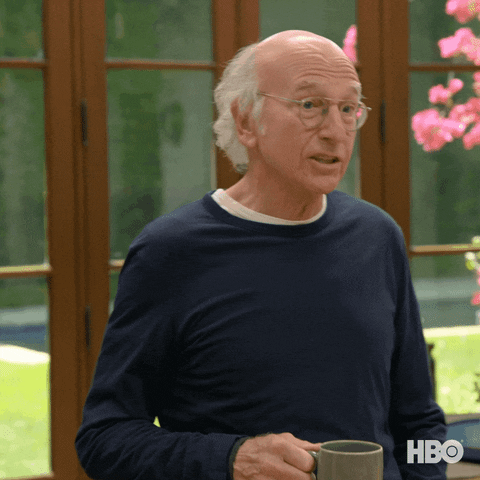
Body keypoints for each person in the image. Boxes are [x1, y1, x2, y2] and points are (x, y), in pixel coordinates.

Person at [75, 30, 447, 480]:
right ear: (246, 121)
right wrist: (232, 459)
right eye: (310, 105)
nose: (335, 131)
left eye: (348, 109)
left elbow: (421, 423)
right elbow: (103, 440)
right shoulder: (171, 251)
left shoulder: (378, 236)